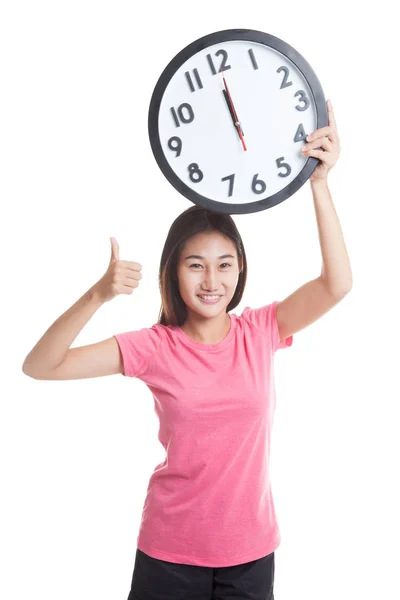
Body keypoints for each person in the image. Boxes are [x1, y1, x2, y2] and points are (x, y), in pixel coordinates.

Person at [22, 99, 352, 599]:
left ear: (240, 268)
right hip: (169, 556)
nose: (211, 280)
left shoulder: (260, 330)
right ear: (174, 272)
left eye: (224, 264)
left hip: (252, 554)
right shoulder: (155, 347)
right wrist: (98, 294)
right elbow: (40, 366)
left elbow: (337, 284)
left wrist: (320, 185)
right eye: (195, 265)